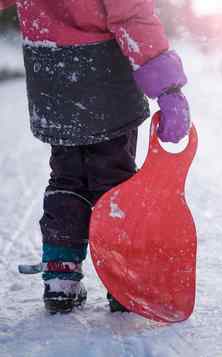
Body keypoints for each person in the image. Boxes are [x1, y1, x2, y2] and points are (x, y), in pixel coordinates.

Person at [0, 0, 190, 314]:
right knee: (114, 178)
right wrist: (167, 88)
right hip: (104, 75)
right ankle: (123, 278)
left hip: (49, 73)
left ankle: (61, 273)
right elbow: (132, 15)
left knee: (66, 175)